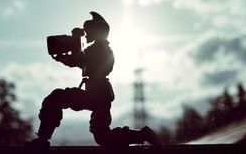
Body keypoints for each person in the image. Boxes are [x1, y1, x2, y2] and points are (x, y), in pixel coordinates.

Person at [26, 12, 162, 147]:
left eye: (89, 31)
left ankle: (43, 140)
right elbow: (80, 61)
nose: (86, 34)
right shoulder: (100, 48)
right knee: (103, 136)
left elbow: (79, 59)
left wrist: (73, 46)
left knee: (56, 98)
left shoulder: (99, 48)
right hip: (98, 93)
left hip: (96, 94)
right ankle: (142, 135)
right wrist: (64, 56)